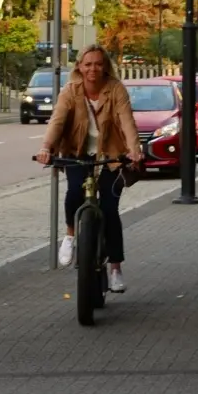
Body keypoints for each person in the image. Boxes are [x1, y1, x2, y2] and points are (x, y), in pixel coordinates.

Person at [37, 45, 144, 293]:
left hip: (111, 157)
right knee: (74, 191)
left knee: (109, 209)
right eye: (88, 64)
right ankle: (71, 235)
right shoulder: (70, 91)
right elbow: (58, 120)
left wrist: (134, 149)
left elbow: (127, 120)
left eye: (98, 63)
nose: (93, 68)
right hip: (78, 154)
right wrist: (46, 147)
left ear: (105, 65)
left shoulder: (116, 89)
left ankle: (115, 268)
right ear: (79, 67)